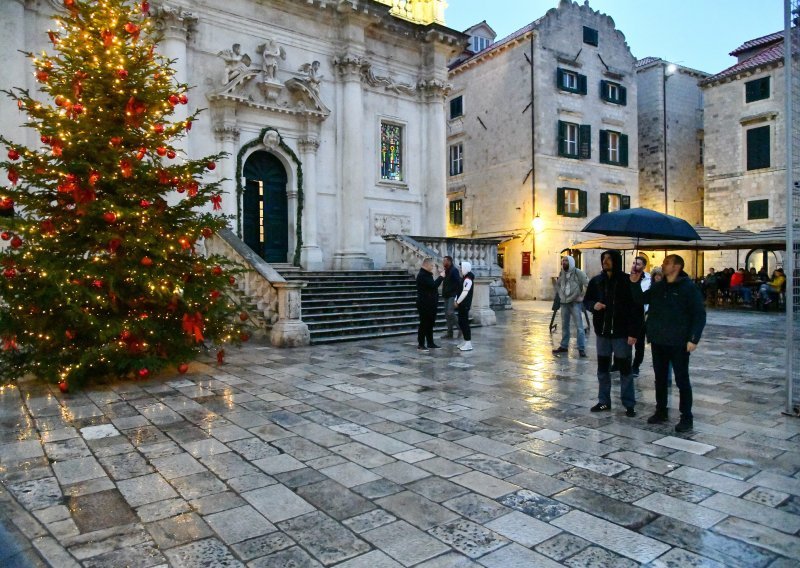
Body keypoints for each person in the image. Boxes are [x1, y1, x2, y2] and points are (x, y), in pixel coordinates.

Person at [631, 254, 706, 433]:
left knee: (682, 380)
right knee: (660, 379)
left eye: (667, 262)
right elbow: (641, 299)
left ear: (677, 266)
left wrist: (693, 338)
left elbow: (699, 314)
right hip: (659, 340)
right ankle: (661, 411)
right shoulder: (659, 287)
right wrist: (634, 283)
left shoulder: (688, 288)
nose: (663, 265)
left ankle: (686, 416)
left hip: (679, 342)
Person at [583, 250, 642, 417]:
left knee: (625, 369)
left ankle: (629, 404)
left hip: (621, 333)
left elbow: (635, 309)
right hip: (602, 333)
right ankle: (603, 401)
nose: (605, 261)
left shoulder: (626, 281)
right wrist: (593, 305)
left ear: (616, 260)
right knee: (603, 369)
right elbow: (587, 301)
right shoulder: (596, 281)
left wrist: (633, 333)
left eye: (609, 259)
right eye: (603, 259)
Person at [552, 255, 589, 357]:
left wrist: (582, 297)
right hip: (564, 303)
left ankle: (581, 348)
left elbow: (587, 284)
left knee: (579, 327)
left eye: (566, 261)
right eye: (563, 261)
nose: (563, 263)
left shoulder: (578, 273)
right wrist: (560, 294)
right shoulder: (562, 273)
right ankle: (564, 346)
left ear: (571, 262)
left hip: (574, 303)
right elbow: (558, 284)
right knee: (564, 326)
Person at [415, 257, 443, 351]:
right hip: (424, 303)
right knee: (424, 323)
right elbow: (433, 285)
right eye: (431, 266)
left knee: (430, 323)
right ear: (426, 265)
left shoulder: (427, 274)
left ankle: (430, 342)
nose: (432, 267)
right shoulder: (422, 275)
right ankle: (421, 344)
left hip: (430, 303)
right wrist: (441, 276)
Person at [630, 255, 651, 377]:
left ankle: (636, 365)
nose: (634, 265)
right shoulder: (627, 278)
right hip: (628, 314)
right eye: (633, 263)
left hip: (642, 315)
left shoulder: (649, 279)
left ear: (643, 266)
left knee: (639, 343)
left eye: (638, 264)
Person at [454, 261, 475, 351]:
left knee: (464, 323)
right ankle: (465, 341)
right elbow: (459, 291)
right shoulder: (464, 278)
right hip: (461, 304)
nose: (460, 269)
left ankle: (468, 342)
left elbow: (465, 292)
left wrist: (457, 302)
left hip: (464, 304)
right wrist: (456, 299)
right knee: (461, 322)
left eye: (461, 268)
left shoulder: (468, 279)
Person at [440, 255, 462, 340]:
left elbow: (458, 282)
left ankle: (461, 328)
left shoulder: (454, 270)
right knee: (447, 315)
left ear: (449, 261)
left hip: (452, 295)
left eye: (444, 261)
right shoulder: (446, 270)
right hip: (446, 295)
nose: (443, 262)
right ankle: (450, 333)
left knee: (450, 312)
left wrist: (456, 294)